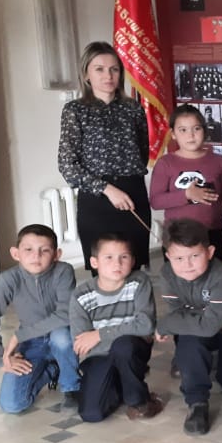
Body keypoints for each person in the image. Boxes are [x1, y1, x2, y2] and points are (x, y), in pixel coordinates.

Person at [58, 42, 152, 272]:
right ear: (86, 74)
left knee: (133, 264)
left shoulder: (133, 109)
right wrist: (107, 189)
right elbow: (67, 165)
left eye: (114, 69)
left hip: (133, 193)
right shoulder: (75, 110)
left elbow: (141, 152)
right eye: (99, 69)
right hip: (97, 197)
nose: (108, 76)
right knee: (103, 269)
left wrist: (125, 183)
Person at [155, 219, 222, 435]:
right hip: (205, 327)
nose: (187, 264)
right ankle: (197, 403)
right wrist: (179, 320)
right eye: (179, 258)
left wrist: (165, 324)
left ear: (210, 252)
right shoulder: (167, 274)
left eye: (195, 256)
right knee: (189, 340)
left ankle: (206, 361)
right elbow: (178, 314)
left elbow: (207, 326)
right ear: (168, 257)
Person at [0, 224, 78, 414]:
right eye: (28, 250)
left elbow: (65, 314)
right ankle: (52, 370)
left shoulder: (63, 271)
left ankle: (71, 387)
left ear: (56, 254)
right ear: (16, 254)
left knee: (61, 337)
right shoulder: (9, 279)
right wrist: (0, 359)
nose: (36, 256)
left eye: (44, 250)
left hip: (62, 336)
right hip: (32, 343)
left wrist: (19, 336)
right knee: (12, 404)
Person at [70, 234, 162, 423]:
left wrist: (100, 335)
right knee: (91, 414)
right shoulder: (81, 295)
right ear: (94, 262)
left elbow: (145, 325)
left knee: (124, 346)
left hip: (130, 350)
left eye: (124, 257)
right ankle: (120, 383)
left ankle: (139, 401)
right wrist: (108, 341)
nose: (117, 264)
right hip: (98, 356)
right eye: (109, 257)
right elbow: (83, 344)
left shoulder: (139, 282)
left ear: (133, 261)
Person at [149, 105, 222, 261]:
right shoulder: (165, 163)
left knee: (214, 275)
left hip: (212, 234)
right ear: (173, 134)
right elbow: (156, 201)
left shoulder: (219, 162)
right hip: (176, 237)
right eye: (183, 130)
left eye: (196, 128)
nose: (191, 135)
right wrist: (187, 195)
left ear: (204, 131)